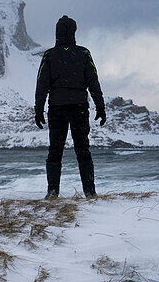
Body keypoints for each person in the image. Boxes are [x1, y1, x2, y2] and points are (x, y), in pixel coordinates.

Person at [34, 15, 106, 197]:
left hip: (57, 109)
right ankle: (90, 192)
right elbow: (93, 81)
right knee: (83, 150)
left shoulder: (50, 55)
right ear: (74, 32)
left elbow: (42, 85)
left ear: (57, 32)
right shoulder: (83, 53)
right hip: (79, 108)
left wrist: (38, 109)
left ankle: (52, 193)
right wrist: (100, 106)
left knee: (55, 152)